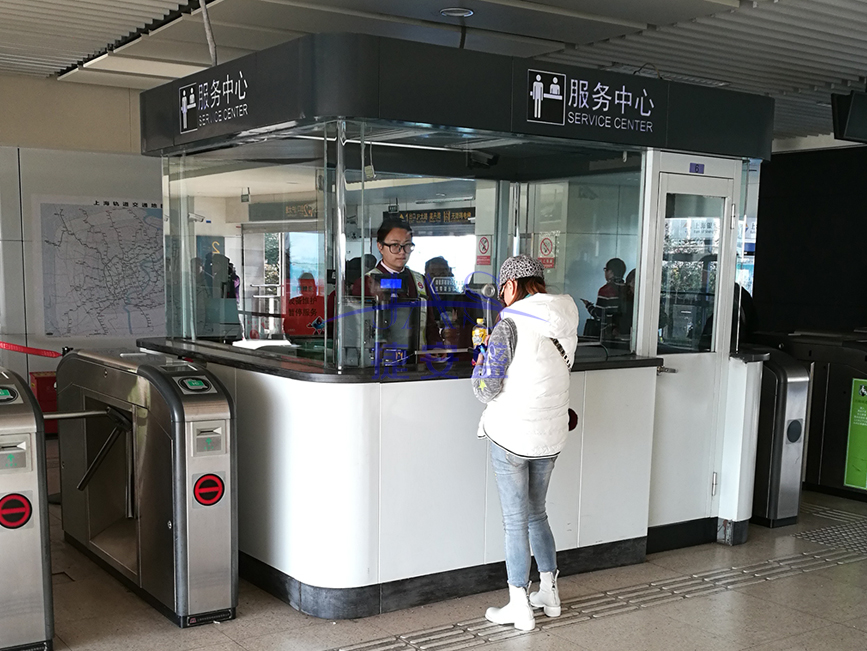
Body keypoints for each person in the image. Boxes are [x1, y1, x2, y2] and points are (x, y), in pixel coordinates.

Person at [472, 255, 580, 631]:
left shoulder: (510, 324)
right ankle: (549, 594)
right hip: (550, 436)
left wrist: (480, 361)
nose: (502, 296)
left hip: (512, 436)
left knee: (515, 521)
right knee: (537, 513)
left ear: (512, 285)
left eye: (503, 288)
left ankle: (519, 605)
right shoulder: (564, 318)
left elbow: (486, 388)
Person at [353, 218, 440, 352]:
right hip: (382, 361)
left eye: (407, 245)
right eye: (395, 245)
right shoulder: (366, 283)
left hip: (419, 360)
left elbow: (430, 325)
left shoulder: (419, 281)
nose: (402, 251)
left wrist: (437, 348)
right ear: (380, 247)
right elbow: (360, 331)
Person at [581, 257, 626, 338]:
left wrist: (588, 305)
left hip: (607, 335)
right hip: (623, 333)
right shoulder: (627, 289)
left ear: (611, 272)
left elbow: (598, 315)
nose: (605, 272)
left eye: (606, 270)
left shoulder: (605, 290)